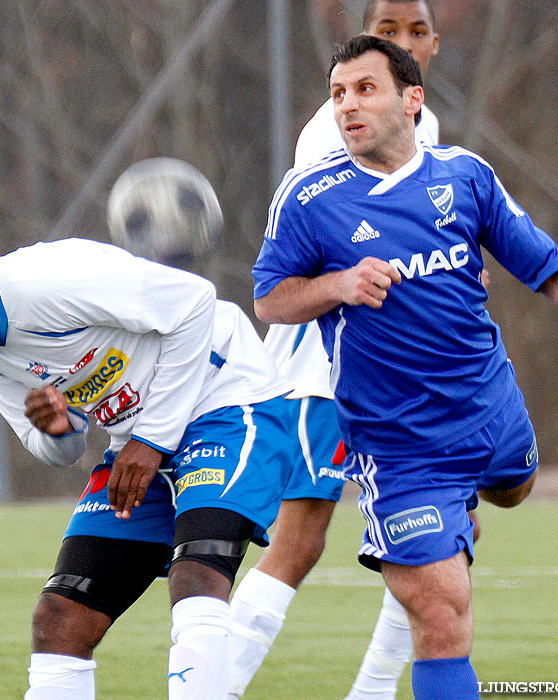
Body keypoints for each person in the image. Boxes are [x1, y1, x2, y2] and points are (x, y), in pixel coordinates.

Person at [252, 35, 558, 700]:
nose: (347, 106)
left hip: (489, 409)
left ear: (412, 99)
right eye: (337, 94)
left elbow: (549, 271)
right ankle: (436, 520)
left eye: (364, 89)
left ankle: (460, 508)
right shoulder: (309, 197)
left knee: (513, 487)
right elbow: (270, 299)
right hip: (399, 445)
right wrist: (337, 285)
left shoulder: (464, 176)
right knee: (442, 613)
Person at [0, 229, 295, 700]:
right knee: (61, 618)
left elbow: (195, 303)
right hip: (137, 442)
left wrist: (151, 439)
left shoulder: (46, 280)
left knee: (197, 574)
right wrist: (58, 431)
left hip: (227, 398)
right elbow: (57, 452)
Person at [229, 3, 459, 699]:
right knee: (298, 542)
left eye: (415, 31)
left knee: (439, 542)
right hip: (324, 369)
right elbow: (330, 249)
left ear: (432, 46)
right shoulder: (333, 130)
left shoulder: (424, 128)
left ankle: (371, 691)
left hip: (398, 374)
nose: (403, 42)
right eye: (387, 31)